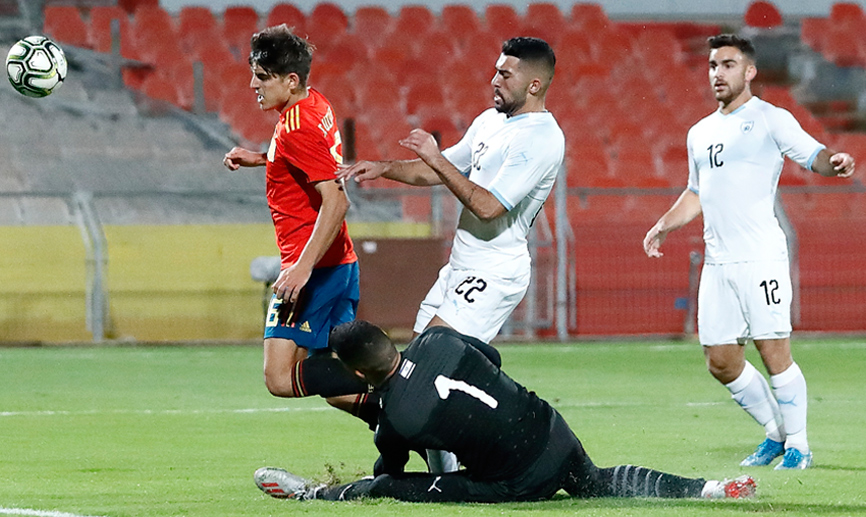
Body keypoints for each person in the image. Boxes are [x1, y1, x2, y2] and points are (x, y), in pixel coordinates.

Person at [643, 34, 855, 470]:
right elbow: (696, 192)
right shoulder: (699, 133)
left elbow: (812, 153)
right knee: (720, 360)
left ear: (749, 72)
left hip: (760, 257)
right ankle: (775, 435)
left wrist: (834, 161)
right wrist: (664, 224)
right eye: (712, 65)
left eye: (727, 64)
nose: (717, 73)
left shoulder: (769, 119)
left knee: (773, 351)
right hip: (718, 263)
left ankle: (799, 444)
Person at [253, 320, 756, 503]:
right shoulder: (438, 338)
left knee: (388, 488)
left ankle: (318, 494)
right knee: (595, 482)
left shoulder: (398, 418)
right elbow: (491, 359)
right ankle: (708, 489)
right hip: (551, 429)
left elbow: (391, 467)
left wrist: (385, 464)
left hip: (519, 479)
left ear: (359, 374)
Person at [338, 37, 565, 346]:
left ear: (534, 86)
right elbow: (439, 169)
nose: (494, 81)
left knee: (429, 360)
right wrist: (384, 167)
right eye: (497, 71)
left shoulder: (541, 138)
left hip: (494, 271)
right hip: (460, 265)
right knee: (417, 360)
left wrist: (435, 158)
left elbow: (488, 208)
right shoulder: (490, 120)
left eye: (506, 75)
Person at [222, 25, 375, 424]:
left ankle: (397, 385)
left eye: (262, 76)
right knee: (339, 391)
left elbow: (337, 201)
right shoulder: (314, 105)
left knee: (279, 377)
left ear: (290, 80)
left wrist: (301, 268)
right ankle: (405, 424)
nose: (253, 83)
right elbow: (311, 163)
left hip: (314, 271)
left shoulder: (296, 126)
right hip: (339, 264)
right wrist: (260, 157)